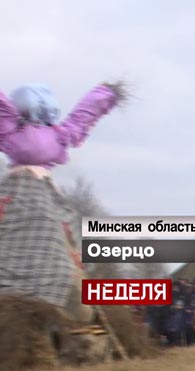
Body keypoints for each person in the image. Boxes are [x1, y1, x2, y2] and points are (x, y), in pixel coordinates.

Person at [0, 81, 126, 319]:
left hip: (30, 193)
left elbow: (83, 116)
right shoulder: (55, 134)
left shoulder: (13, 129)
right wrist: (105, 95)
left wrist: (104, 95)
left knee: (54, 239)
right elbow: (83, 115)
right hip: (37, 193)